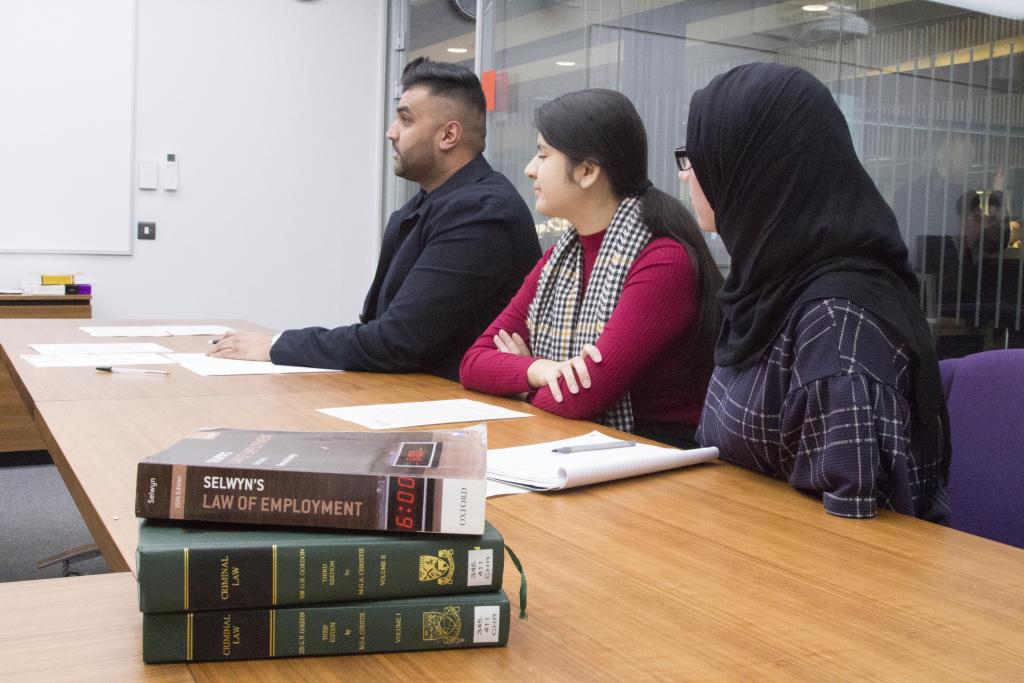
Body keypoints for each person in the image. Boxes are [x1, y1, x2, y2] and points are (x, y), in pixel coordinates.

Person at [682, 63, 950, 521]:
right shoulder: (767, 291)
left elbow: (853, 546)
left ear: (753, 171)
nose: (687, 174)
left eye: (698, 156)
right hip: (736, 553)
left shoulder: (836, 333)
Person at [209, 57, 540, 380]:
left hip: (464, 413)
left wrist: (277, 346)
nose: (391, 133)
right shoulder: (420, 208)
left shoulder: (481, 212)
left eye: (405, 120)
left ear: (448, 136)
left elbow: (398, 341)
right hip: (410, 395)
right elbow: (377, 329)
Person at [460, 89, 722, 448]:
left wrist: (519, 388)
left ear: (586, 171)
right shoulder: (559, 259)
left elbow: (581, 398)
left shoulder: (664, 261)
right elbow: (474, 362)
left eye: (543, 154)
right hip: (583, 447)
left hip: (660, 458)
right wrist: (540, 369)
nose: (530, 169)